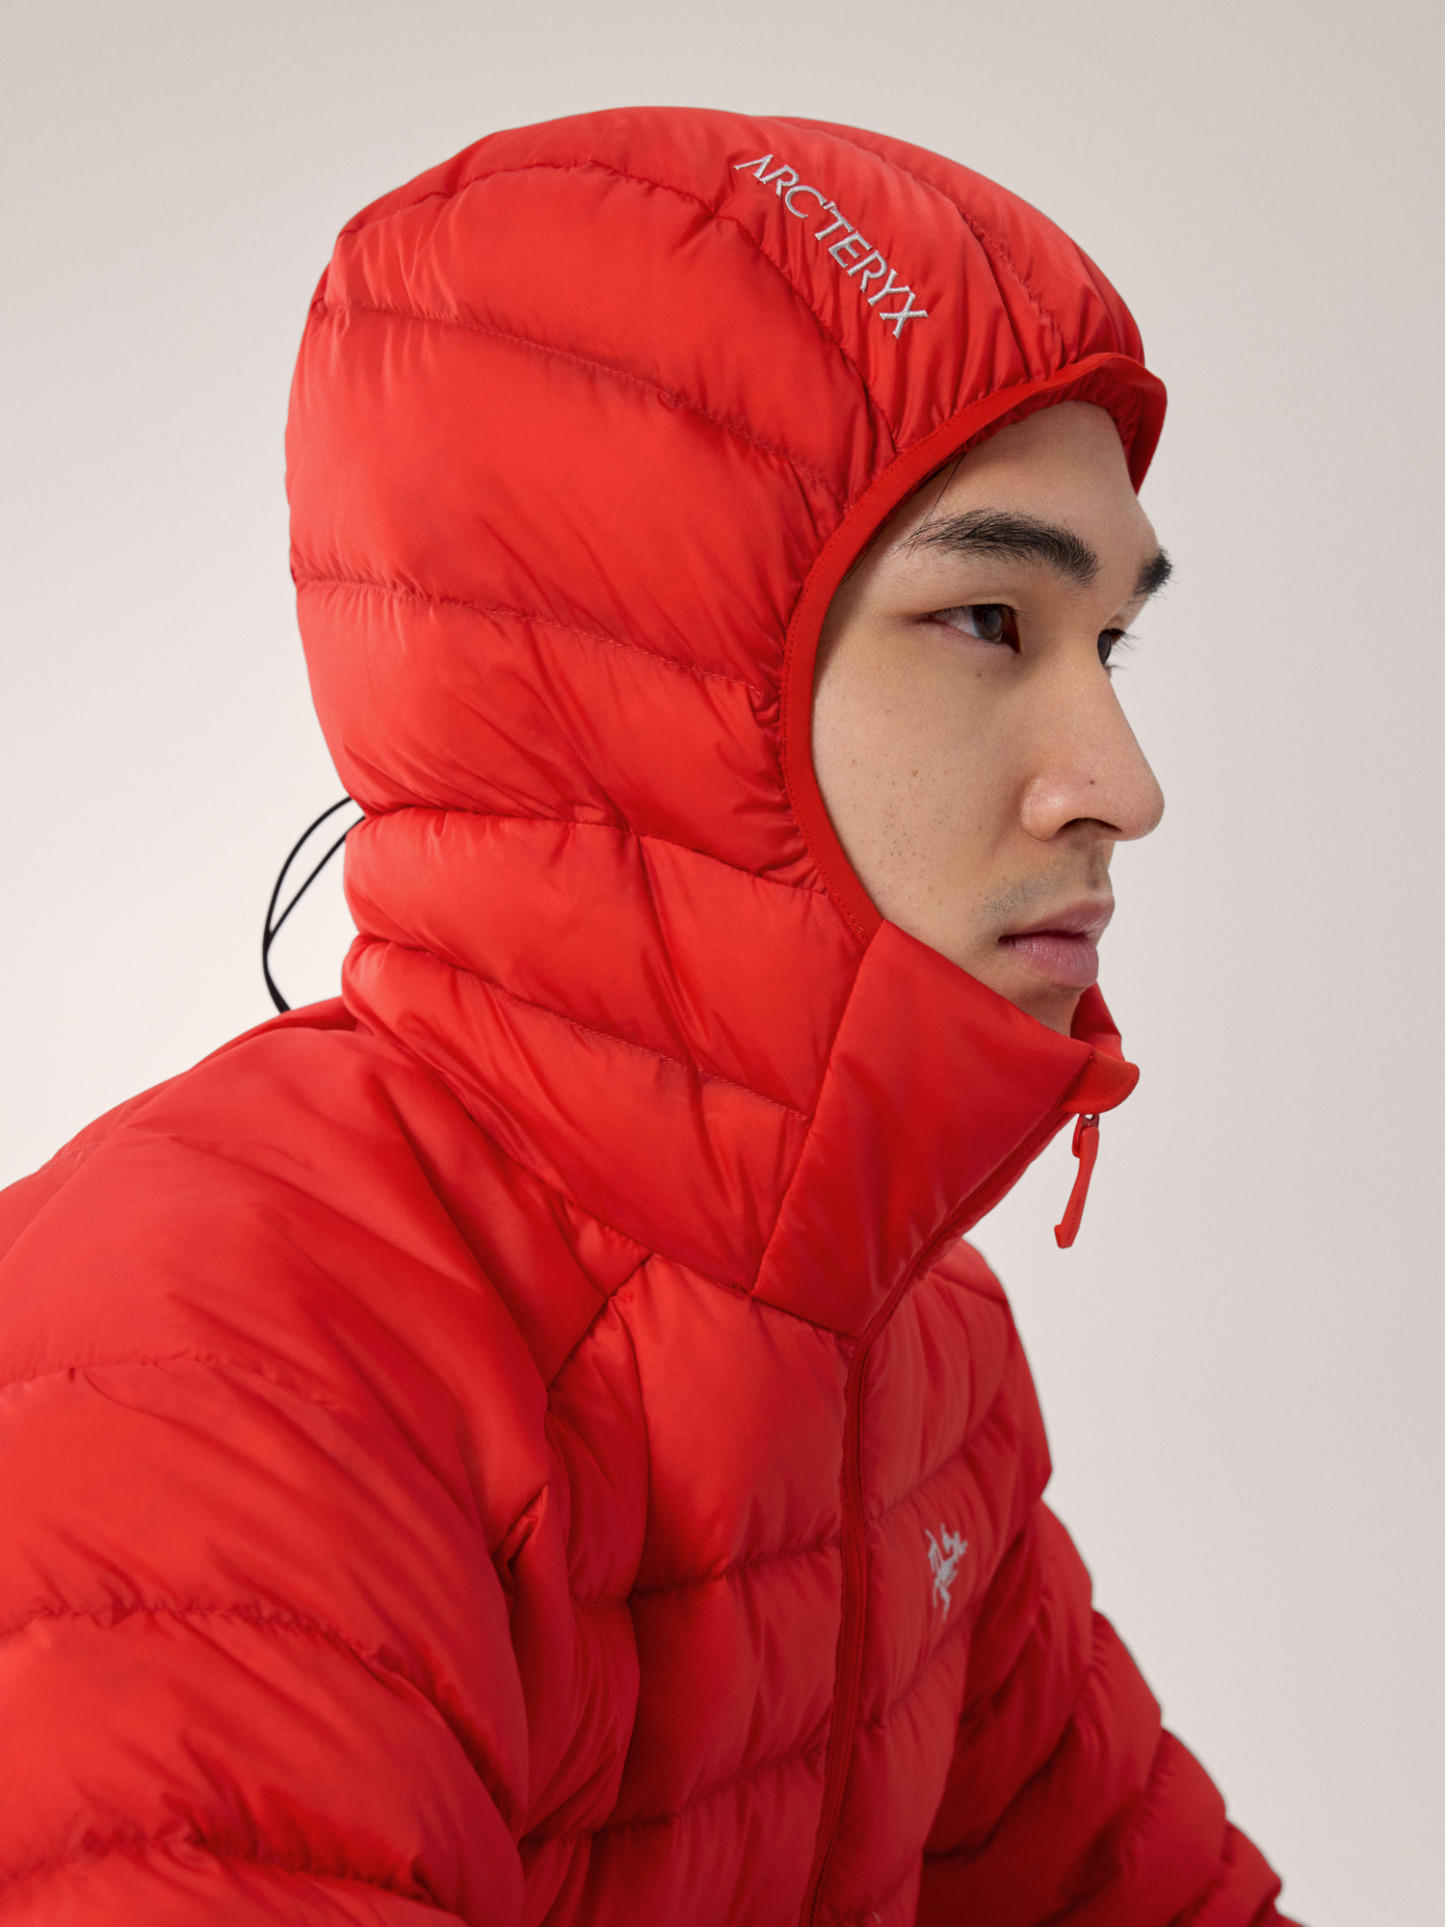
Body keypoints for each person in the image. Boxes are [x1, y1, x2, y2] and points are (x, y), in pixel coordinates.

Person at [0, 106, 1298, 1925]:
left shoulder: (911, 1339)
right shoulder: (219, 1371)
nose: (1120, 785)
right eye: (988, 623)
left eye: (1110, 644)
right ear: (648, 686)